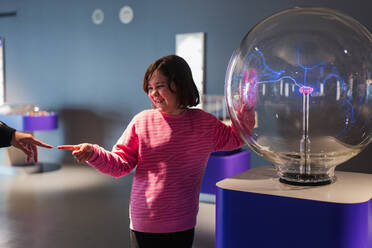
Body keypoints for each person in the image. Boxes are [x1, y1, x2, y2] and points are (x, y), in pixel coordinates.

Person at [58, 55, 255, 248]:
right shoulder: (142, 121)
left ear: (180, 84)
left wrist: (246, 103)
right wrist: (94, 153)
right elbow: (120, 164)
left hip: (183, 222)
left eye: (159, 86)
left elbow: (237, 137)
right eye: (150, 88)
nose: (153, 93)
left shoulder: (204, 123)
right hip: (145, 222)